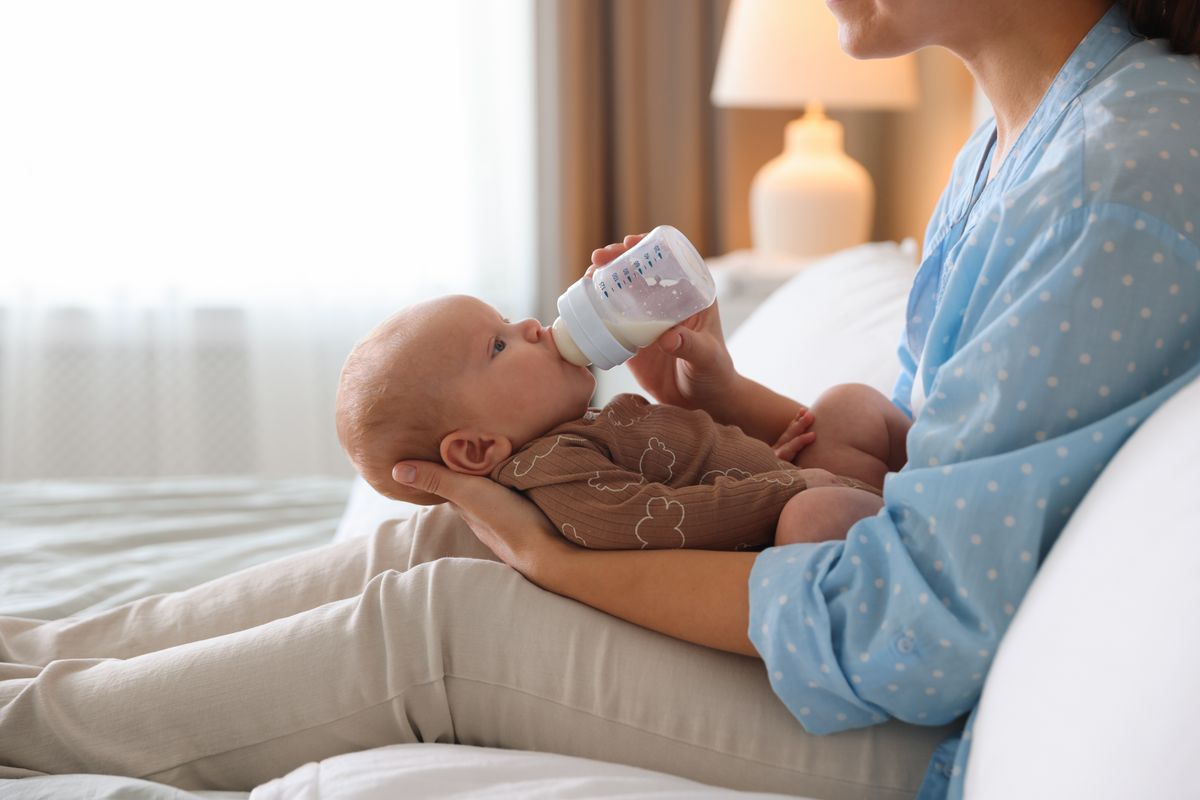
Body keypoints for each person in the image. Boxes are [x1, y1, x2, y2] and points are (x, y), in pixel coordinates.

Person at [1, 1, 1197, 798]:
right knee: (435, 532)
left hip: (913, 718)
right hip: (883, 640)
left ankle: (27, 730)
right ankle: (27, 657)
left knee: (443, 623)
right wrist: (727, 394)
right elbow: (940, 479)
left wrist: (557, 564)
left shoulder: (1114, 171)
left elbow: (909, 625)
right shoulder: (1017, 144)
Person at [334, 293, 905, 550]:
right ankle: (925, 530)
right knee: (816, 517)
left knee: (847, 404)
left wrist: (756, 454)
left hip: (782, 482)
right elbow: (658, 519)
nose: (532, 325)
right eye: (499, 346)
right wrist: (776, 489)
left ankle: (938, 483)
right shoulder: (552, 474)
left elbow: (691, 459)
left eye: (509, 320)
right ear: (477, 449)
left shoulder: (582, 428)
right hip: (776, 526)